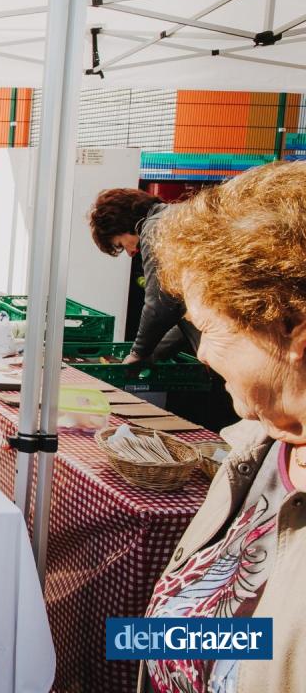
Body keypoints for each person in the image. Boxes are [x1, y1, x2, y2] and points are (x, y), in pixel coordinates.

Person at [139, 161, 306, 693]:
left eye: (210, 328)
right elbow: (243, 631)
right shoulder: (258, 450)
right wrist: (128, 642)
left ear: (295, 334)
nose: (203, 354)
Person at [88, 188, 198, 364]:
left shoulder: (155, 228)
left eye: (121, 244)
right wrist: (153, 354)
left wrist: (138, 353)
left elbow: (160, 304)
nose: (130, 253)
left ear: (122, 224)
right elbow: (187, 314)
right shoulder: (179, 216)